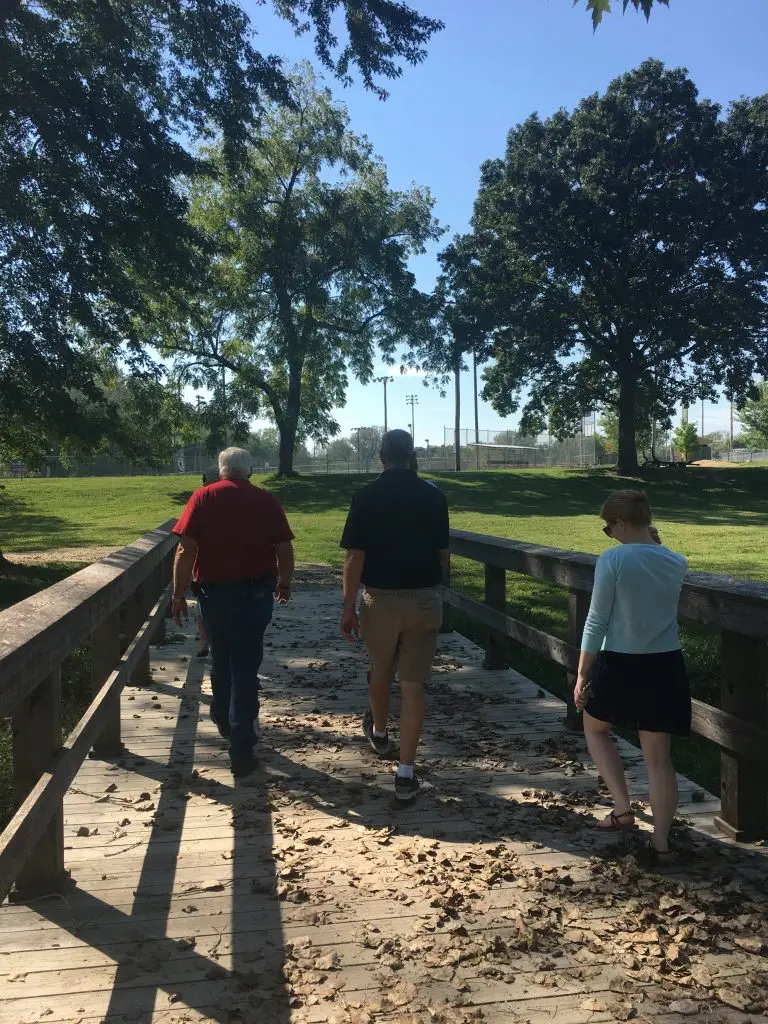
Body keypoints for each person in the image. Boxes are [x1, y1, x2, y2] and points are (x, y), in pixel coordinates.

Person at [574, 490, 689, 864]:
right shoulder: (677, 561)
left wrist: (582, 672)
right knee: (659, 759)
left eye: (609, 527)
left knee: (595, 728)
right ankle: (661, 843)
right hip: (665, 665)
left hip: (621, 663)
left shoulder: (613, 559)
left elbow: (596, 620)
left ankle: (623, 809)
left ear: (622, 522)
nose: (609, 534)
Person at [340, 429, 450, 802]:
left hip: (380, 601)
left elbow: (354, 557)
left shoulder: (365, 496)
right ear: (412, 455)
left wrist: (348, 607)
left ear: (382, 456)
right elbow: (443, 553)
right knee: (414, 685)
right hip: (423, 600)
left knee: (380, 670)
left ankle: (380, 733)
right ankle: (405, 773)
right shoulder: (434, 496)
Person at [172, 447, 295, 778]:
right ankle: (241, 747)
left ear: (221, 469)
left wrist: (178, 595)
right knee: (245, 666)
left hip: (214, 597)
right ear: (249, 470)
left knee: (221, 656)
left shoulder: (202, 497)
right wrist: (284, 584)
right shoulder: (265, 500)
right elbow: (284, 549)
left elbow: (185, 551)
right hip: (255, 596)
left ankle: (223, 715)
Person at [195, 465, 220, 659]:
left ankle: (205, 641)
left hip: (208, 567)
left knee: (203, 606)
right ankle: (207, 642)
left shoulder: (201, 499)